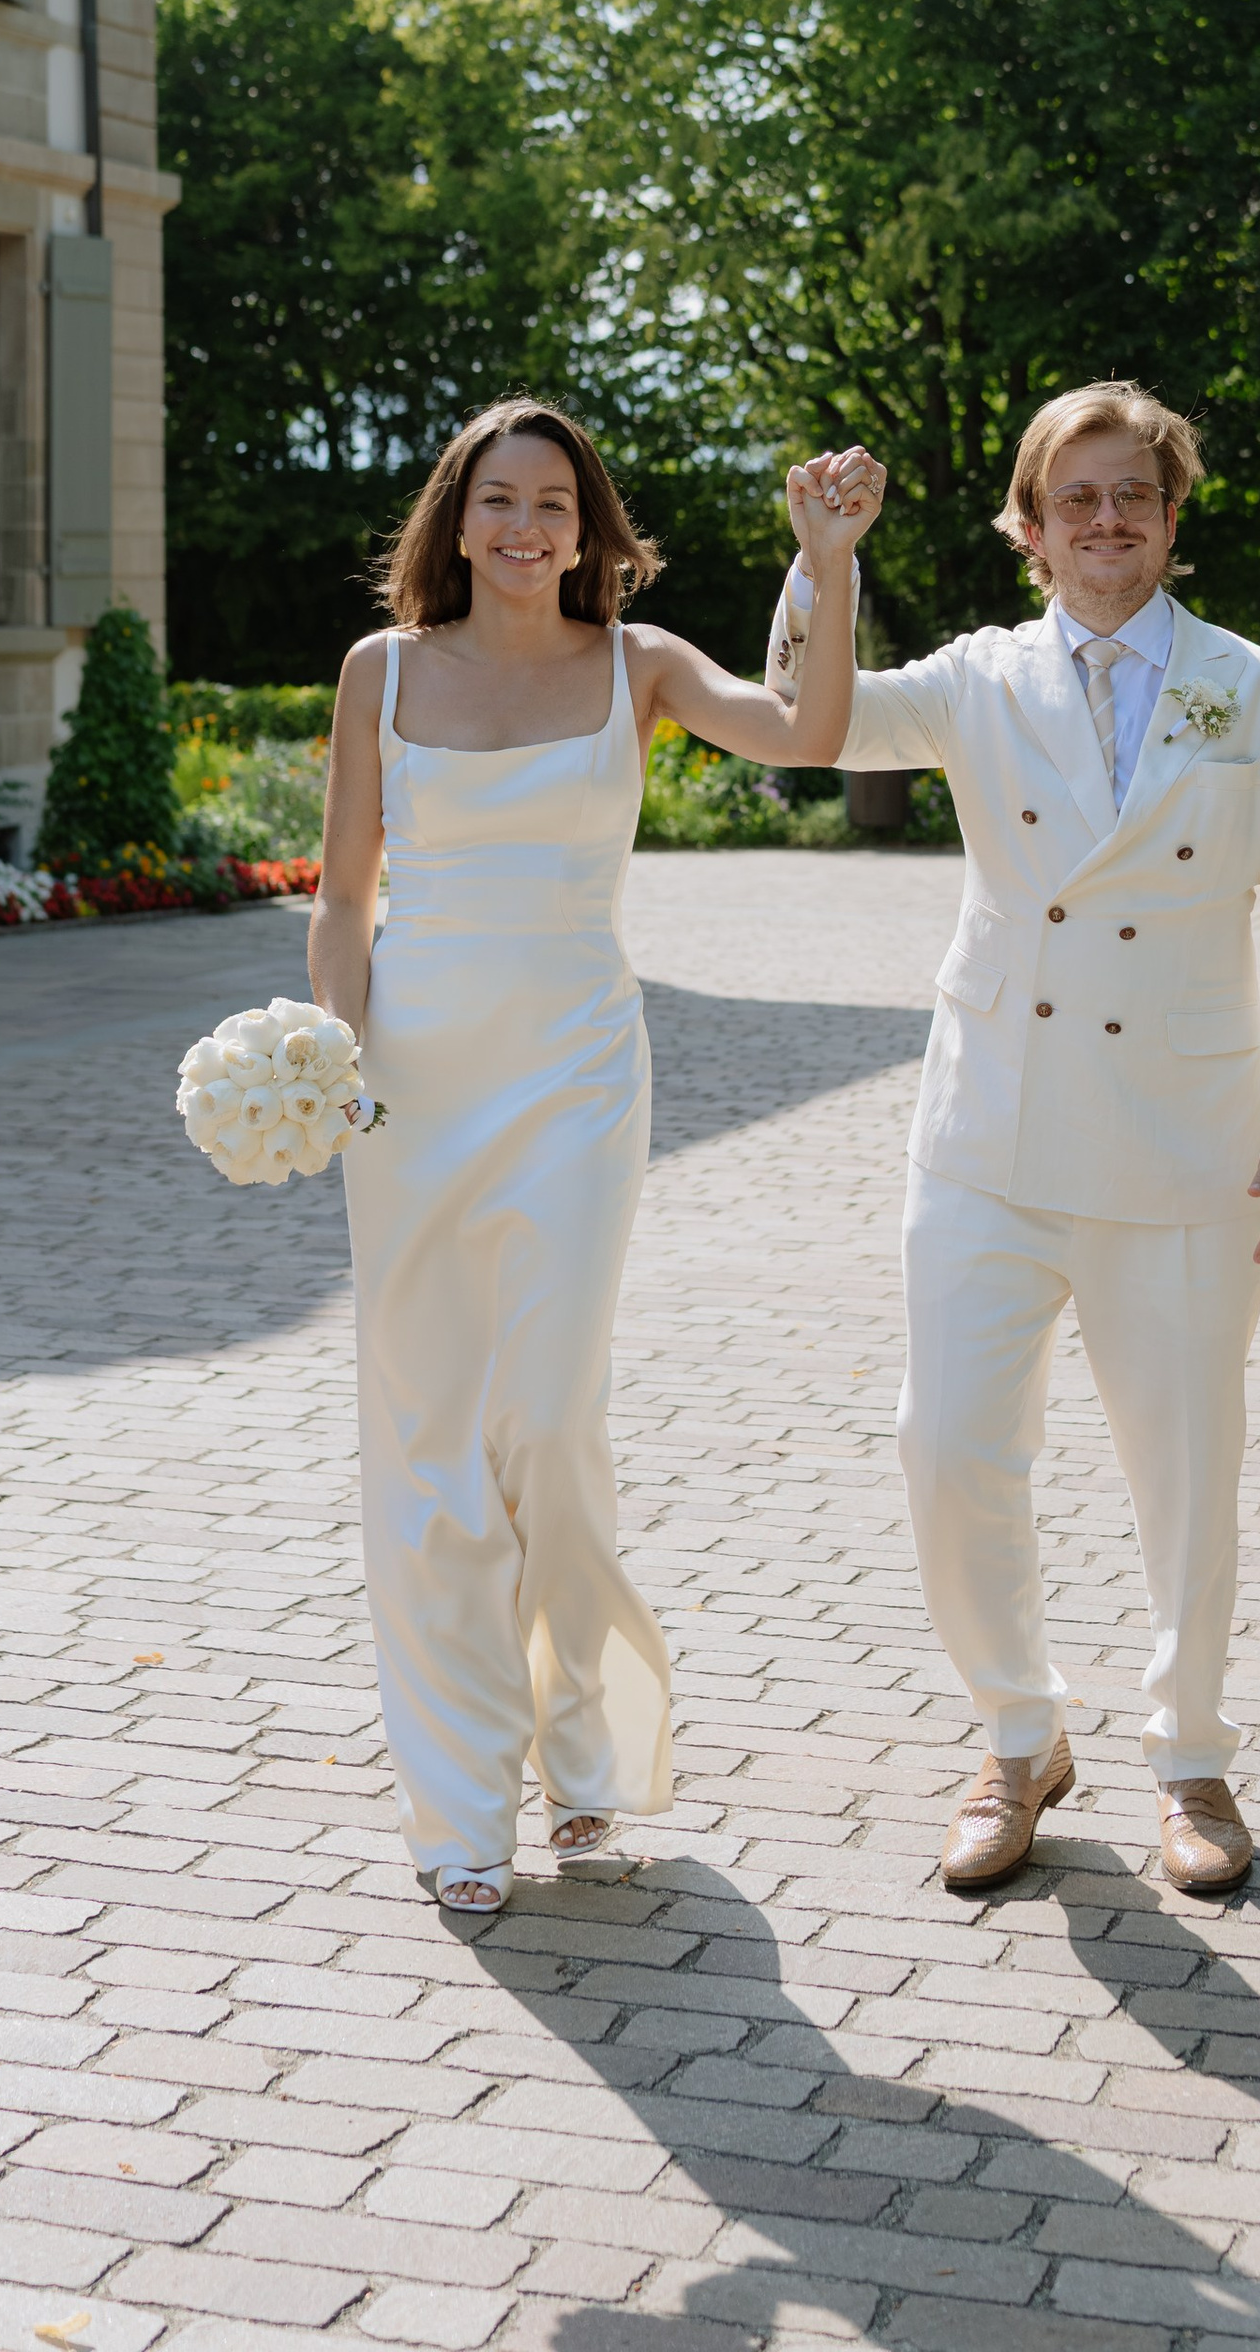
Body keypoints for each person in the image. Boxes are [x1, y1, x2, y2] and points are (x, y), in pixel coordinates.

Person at [773, 380, 1260, 1895]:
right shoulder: (975, 679)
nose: (1110, 522)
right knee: (947, 1441)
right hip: (990, 1127)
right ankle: (1018, 1736)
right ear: (1028, 528)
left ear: (1169, 518)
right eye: (1078, 499)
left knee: (1187, 1462)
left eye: (1135, 497)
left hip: (1186, 1143)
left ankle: (1190, 1754)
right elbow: (813, 722)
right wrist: (821, 563)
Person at [312, 395, 880, 1915]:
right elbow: (341, 899)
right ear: (456, 515)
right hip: (411, 1092)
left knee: (550, 1429)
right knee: (428, 1448)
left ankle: (584, 1753)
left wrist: (823, 566)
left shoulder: (642, 667)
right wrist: (330, 1063)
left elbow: (810, 736)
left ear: (588, 526)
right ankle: (456, 1806)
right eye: (498, 498)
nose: (524, 526)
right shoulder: (383, 673)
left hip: (574, 1074)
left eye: (552, 502)